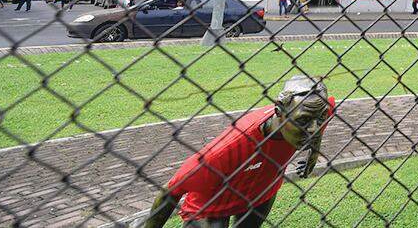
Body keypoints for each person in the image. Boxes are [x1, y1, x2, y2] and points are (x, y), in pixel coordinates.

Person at [140, 76, 334, 228]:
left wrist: (313, 156)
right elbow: (169, 191)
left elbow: (317, 122)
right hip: (214, 203)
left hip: (261, 190)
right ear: (279, 112)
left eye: (320, 120)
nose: (314, 129)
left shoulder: (315, 112)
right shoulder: (227, 149)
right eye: (303, 121)